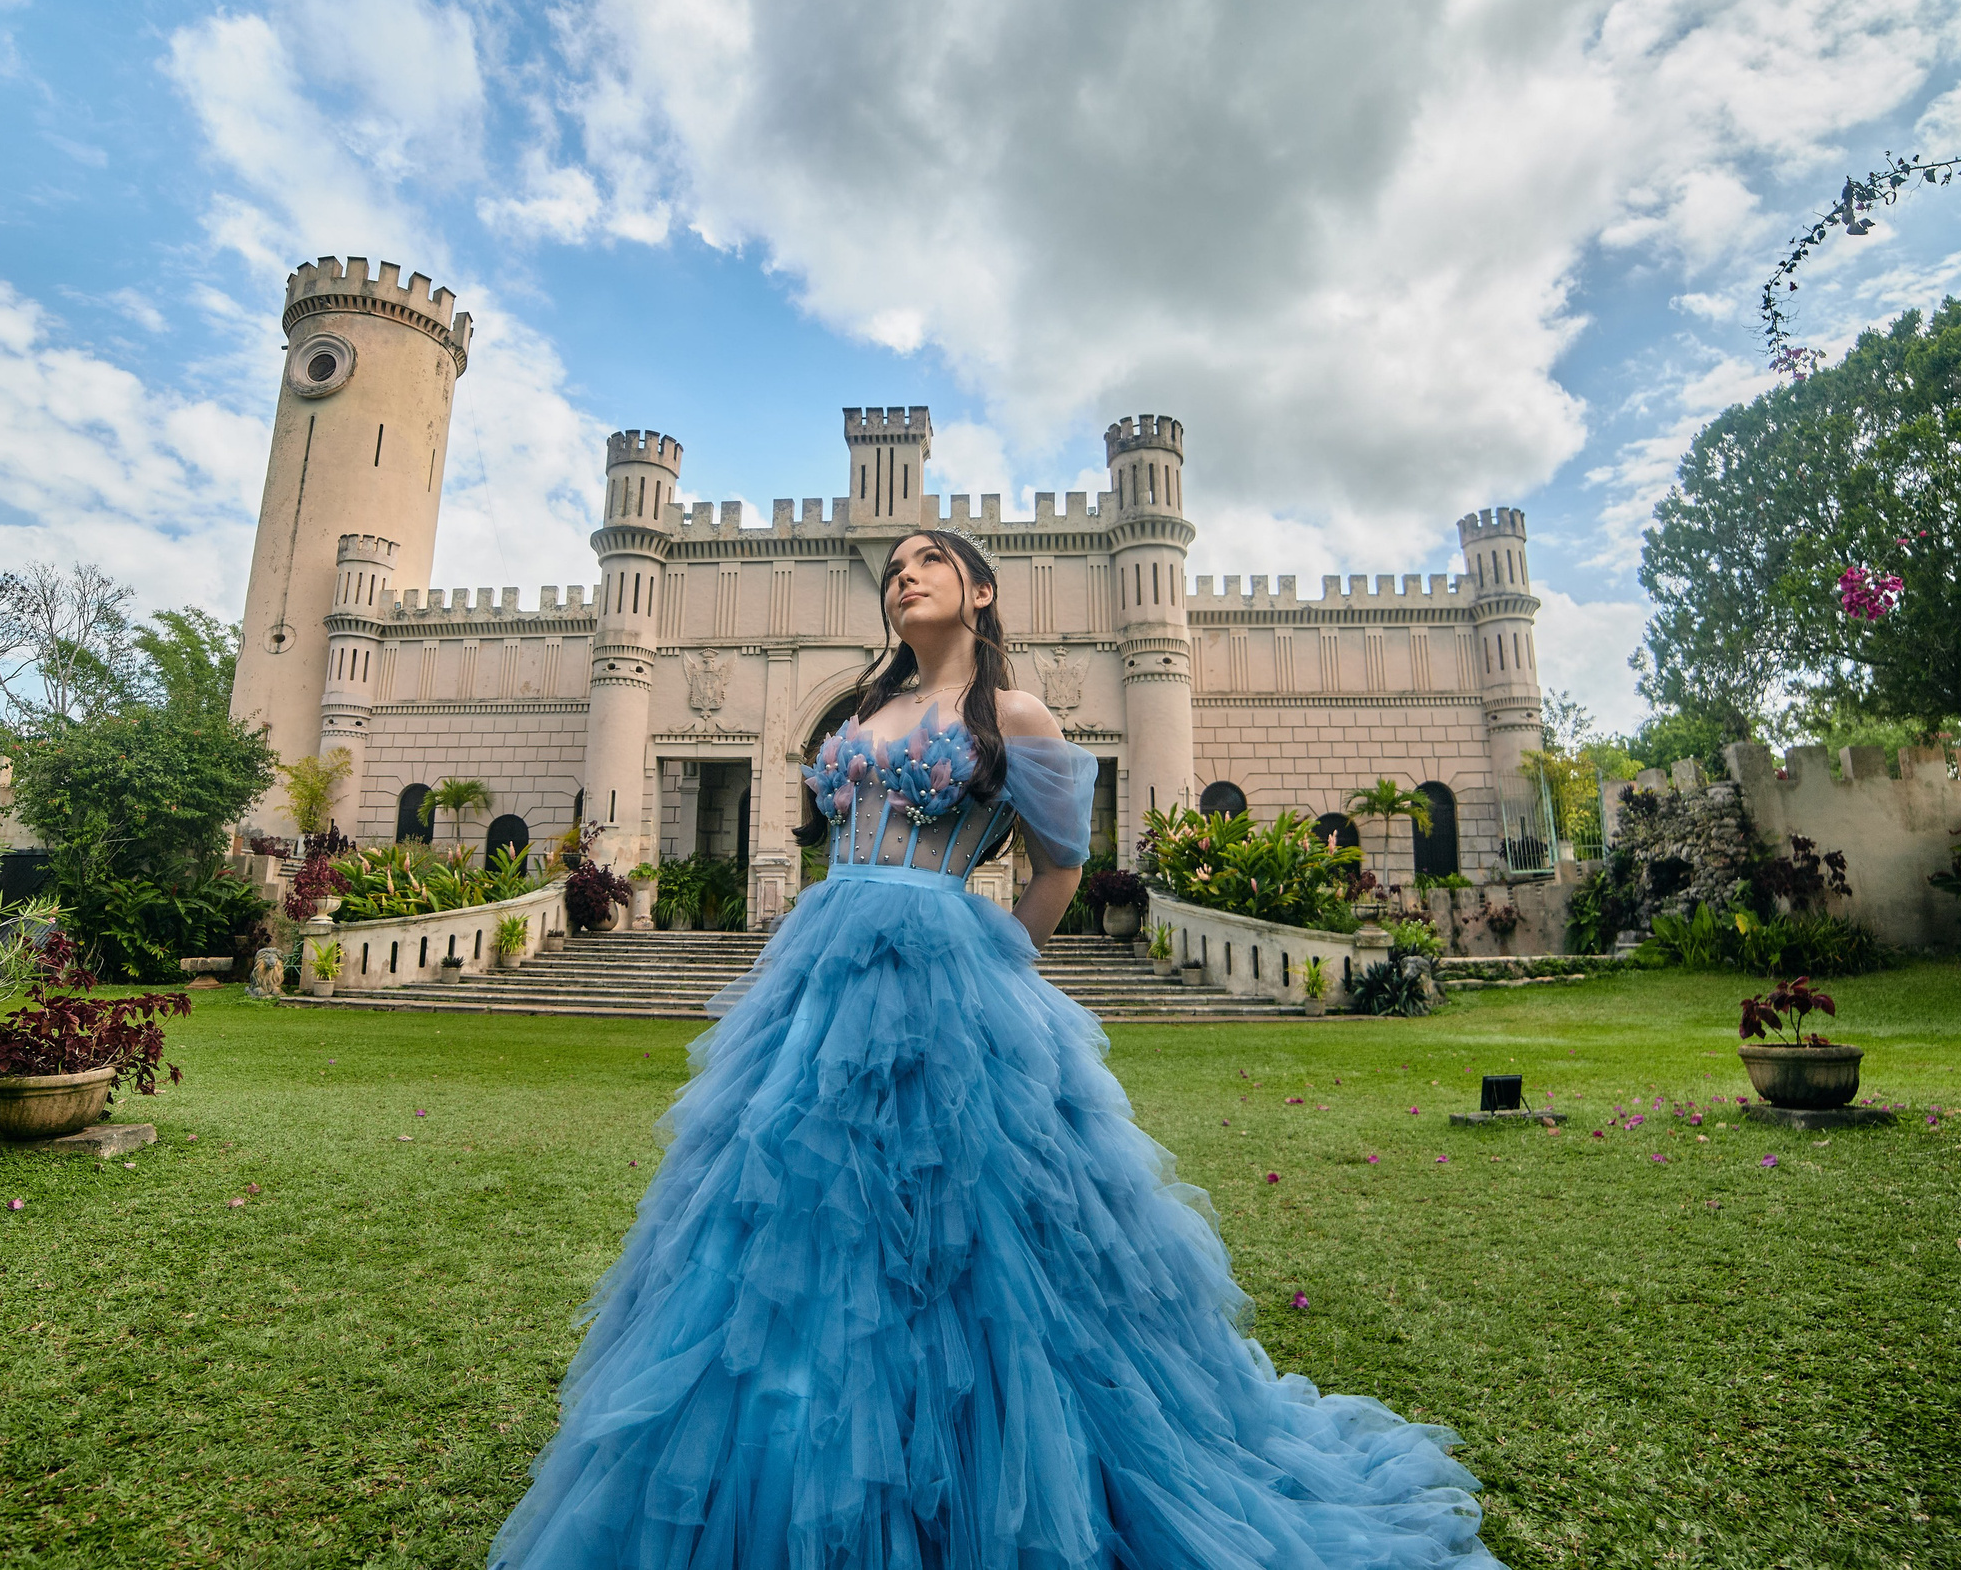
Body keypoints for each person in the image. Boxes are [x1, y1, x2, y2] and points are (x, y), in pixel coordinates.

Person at [488, 529, 1502, 1568]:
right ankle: (798, 1433)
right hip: (820, 972)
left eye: (927, 562)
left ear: (979, 591)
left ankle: (975, 1457)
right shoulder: (863, 709)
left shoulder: (1015, 718)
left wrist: (987, 965)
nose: (903, 577)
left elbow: (1058, 866)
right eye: (892, 570)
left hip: (947, 966)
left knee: (970, 1221)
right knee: (791, 1198)